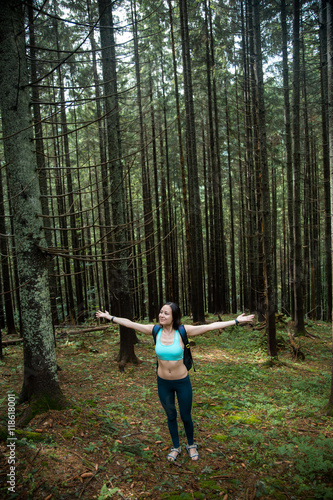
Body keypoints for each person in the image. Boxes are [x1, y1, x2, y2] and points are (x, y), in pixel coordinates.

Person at [96, 302, 254, 462]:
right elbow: (130, 324)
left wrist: (236, 321)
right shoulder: (155, 330)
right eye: (161, 312)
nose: (161, 315)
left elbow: (211, 326)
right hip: (163, 383)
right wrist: (109, 317)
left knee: (186, 416)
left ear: (174, 317)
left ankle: (191, 445)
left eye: (166, 313)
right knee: (171, 415)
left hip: (182, 382)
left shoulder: (183, 331)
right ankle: (176, 447)